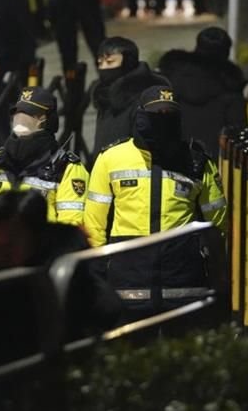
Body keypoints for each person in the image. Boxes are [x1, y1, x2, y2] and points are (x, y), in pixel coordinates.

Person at [0, 190, 121, 380]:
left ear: (35, 236)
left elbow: (105, 310)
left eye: (10, 244)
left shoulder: (68, 271)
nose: (1, 254)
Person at [84, 87, 228, 313]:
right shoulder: (111, 159)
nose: (162, 119)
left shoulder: (197, 161)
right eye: (155, 113)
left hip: (183, 281)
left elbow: (217, 221)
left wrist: (206, 258)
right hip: (127, 280)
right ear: (140, 115)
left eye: (168, 114)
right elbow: (94, 222)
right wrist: (97, 272)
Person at [0, 87, 89, 250]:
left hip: (38, 264)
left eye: (31, 115)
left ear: (48, 120)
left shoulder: (66, 168)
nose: (22, 120)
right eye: (18, 114)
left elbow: (69, 227)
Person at [158, 26, 247, 157]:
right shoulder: (230, 83)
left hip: (176, 155)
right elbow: (237, 128)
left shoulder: (174, 75)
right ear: (226, 51)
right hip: (216, 160)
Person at [90, 36, 170, 156]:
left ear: (128, 62)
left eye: (110, 62)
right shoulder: (104, 95)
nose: (103, 68)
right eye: (100, 63)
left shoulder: (146, 96)